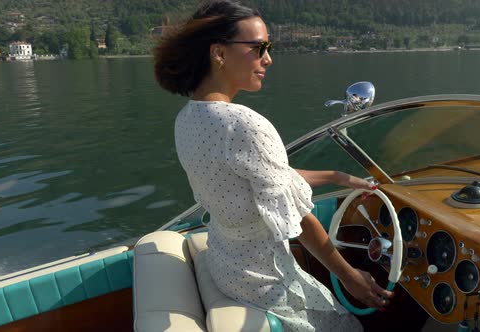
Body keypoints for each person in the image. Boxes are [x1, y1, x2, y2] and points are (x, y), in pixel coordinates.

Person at [154, 1, 393, 330]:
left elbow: (260, 180)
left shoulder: (188, 118)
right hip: (264, 281)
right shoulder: (244, 124)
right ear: (219, 54)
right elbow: (300, 220)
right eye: (258, 48)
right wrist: (352, 278)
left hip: (227, 264)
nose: (268, 59)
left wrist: (339, 177)